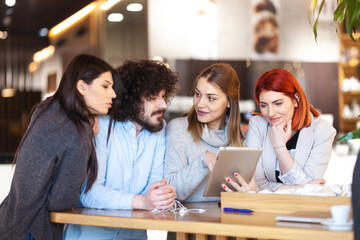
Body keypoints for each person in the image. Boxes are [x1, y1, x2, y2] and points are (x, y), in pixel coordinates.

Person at [0, 54, 117, 240]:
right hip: (34, 231)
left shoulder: (47, 108)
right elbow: (60, 201)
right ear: (82, 87)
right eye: (105, 86)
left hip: (10, 223)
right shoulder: (75, 131)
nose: (113, 94)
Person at [63, 59, 178, 240]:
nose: (163, 104)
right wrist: (142, 201)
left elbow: (155, 187)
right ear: (130, 99)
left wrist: (159, 196)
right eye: (153, 97)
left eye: (163, 96)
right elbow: (89, 192)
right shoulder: (100, 125)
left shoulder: (160, 128)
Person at [225, 68, 336, 192]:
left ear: (295, 100)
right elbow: (257, 182)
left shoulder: (322, 131)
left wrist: (279, 147)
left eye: (278, 103)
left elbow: (309, 193)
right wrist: (303, 187)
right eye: (264, 105)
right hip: (266, 207)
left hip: (304, 208)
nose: (271, 113)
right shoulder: (257, 125)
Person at [164, 63, 246, 203]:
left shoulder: (241, 138)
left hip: (228, 220)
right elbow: (170, 190)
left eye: (211, 98)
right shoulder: (179, 129)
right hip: (186, 222)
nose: (200, 104)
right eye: (197, 94)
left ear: (229, 102)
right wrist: (203, 160)